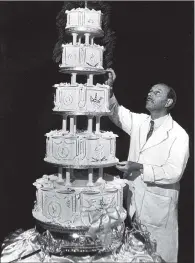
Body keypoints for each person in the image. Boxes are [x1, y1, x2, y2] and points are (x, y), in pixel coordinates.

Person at [106, 69, 189, 263]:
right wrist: (109, 88)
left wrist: (140, 167)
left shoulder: (178, 134)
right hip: (135, 202)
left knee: (157, 256)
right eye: (150, 91)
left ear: (168, 103)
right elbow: (116, 113)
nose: (150, 94)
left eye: (157, 92)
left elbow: (174, 172)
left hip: (158, 209)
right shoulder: (141, 122)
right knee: (136, 255)